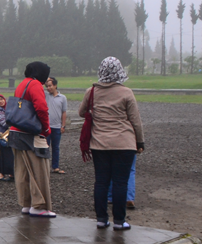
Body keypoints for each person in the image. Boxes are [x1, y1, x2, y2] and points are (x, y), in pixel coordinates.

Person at [80, 56, 145, 231]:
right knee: (120, 182)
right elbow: (135, 120)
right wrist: (140, 141)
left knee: (101, 181)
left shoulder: (92, 91)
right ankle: (119, 221)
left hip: (99, 144)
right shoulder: (126, 92)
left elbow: (81, 112)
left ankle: (101, 219)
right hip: (124, 143)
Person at [8, 62, 55, 218]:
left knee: (22, 171)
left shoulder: (22, 84)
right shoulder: (35, 84)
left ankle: (26, 203)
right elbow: (41, 108)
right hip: (30, 133)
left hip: (16, 132)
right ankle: (39, 205)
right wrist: (46, 128)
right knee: (39, 169)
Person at [44, 77, 68, 174]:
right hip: (47, 126)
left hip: (57, 126)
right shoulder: (46, 95)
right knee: (45, 147)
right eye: (47, 86)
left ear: (55, 85)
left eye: (50, 86)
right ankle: (44, 167)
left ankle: (55, 167)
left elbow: (64, 112)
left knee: (56, 147)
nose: (48, 88)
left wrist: (63, 125)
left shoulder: (62, 98)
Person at [0, 95, 14, 181]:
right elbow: (4, 123)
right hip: (3, 136)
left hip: (10, 135)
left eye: (1, 99)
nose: (0, 101)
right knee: (5, 155)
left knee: (10, 155)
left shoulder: (8, 108)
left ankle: (10, 173)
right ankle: (2, 174)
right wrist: (15, 122)